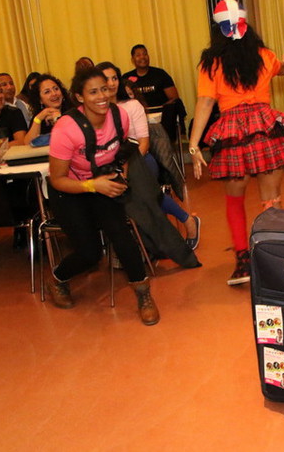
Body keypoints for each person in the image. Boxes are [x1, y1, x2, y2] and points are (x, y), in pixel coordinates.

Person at [189, 0, 284, 285]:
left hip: (232, 131)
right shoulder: (264, 55)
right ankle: (273, 255)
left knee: (234, 198)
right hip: (264, 126)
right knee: (271, 197)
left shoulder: (211, 63)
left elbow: (205, 102)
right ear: (245, 24)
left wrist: (193, 144)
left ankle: (243, 260)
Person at [45, 67, 160, 326]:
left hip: (103, 183)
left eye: (105, 89)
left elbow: (123, 150)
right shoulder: (66, 128)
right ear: (80, 97)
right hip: (70, 190)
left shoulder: (119, 116)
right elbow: (57, 179)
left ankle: (144, 294)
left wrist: (121, 175)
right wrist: (92, 185)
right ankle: (58, 279)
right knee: (90, 253)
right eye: (93, 92)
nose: (102, 96)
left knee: (123, 236)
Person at [98, 61, 200, 249]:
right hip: (111, 163)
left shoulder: (132, 105)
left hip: (140, 158)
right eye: (106, 79)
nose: (111, 83)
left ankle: (186, 221)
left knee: (141, 189)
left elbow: (144, 143)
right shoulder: (97, 110)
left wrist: (127, 165)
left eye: (114, 78)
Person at [123, 44, 186, 142]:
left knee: (176, 105)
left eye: (145, 54)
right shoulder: (126, 78)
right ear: (133, 59)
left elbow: (174, 98)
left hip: (161, 116)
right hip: (137, 117)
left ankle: (167, 141)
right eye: (138, 55)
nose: (142, 57)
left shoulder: (160, 74)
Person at [23, 73, 73, 144]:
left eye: (56, 89)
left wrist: (58, 119)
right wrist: (38, 119)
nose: (54, 93)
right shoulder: (39, 116)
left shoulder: (73, 112)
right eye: (47, 92)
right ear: (40, 100)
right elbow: (27, 143)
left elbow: (73, 138)